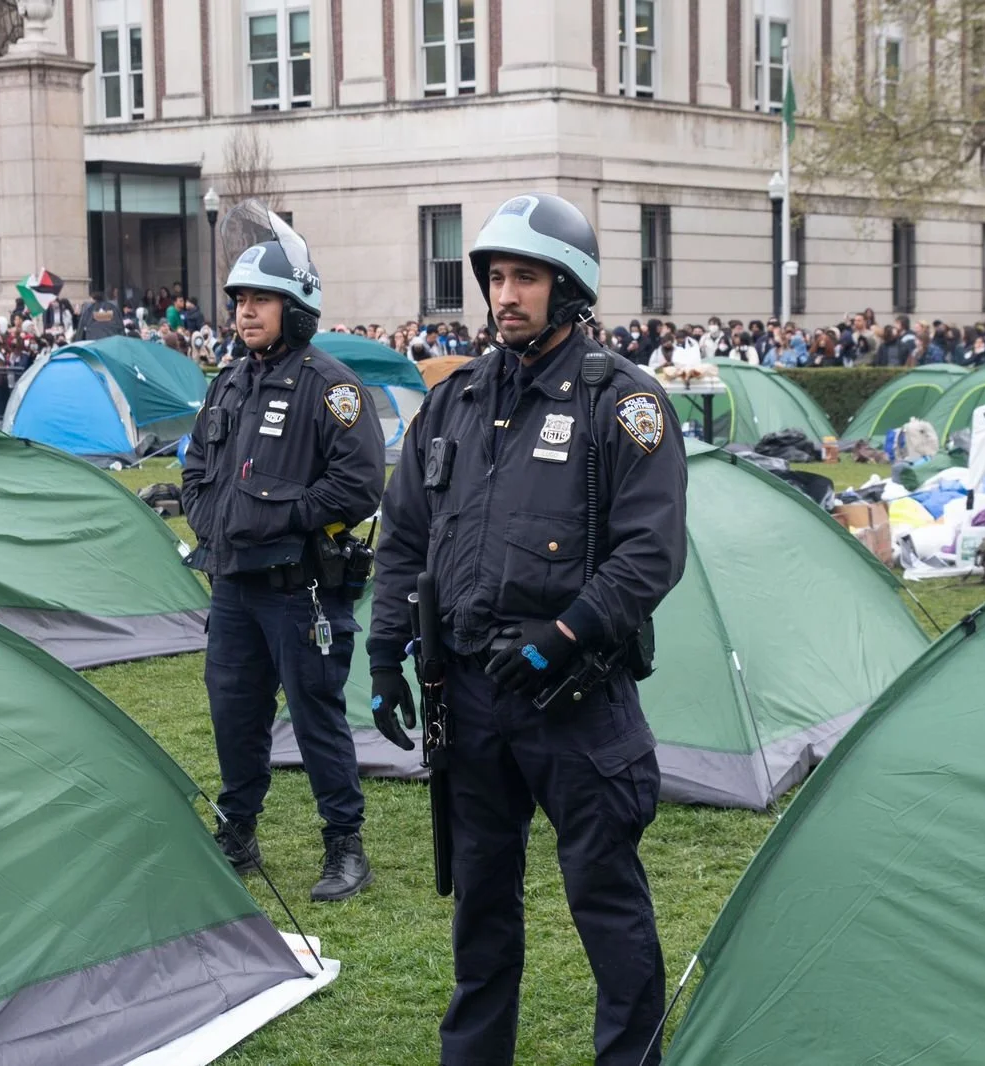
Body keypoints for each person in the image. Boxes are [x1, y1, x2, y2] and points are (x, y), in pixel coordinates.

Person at [369, 192, 687, 1066]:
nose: (506, 295)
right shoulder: (456, 399)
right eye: (496, 277)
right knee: (481, 910)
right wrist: (384, 652)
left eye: (527, 278)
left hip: (573, 701)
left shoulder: (623, 404)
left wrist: (561, 635)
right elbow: (403, 535)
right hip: (469, 699)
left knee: (608, 908)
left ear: (570, 287)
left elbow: (650, 555)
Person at [180, 210, 384, 902]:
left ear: (295, 308)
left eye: (259, 300)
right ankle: (238, 831)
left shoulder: (335, 388)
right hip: (232, 589)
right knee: (232, 709)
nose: (244, 313)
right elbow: (197, 467)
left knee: (315, 713)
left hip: (302, 592)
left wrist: (279, 519)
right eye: (239, 301)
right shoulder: (228, 381)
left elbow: (359, 486)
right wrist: (216, 525)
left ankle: (344, 845)